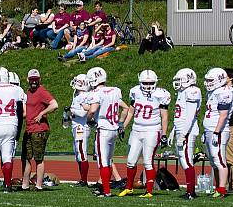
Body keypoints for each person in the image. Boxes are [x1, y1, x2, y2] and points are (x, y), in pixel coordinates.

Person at [118, 70, 171, 198]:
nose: (147, 85)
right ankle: (129, 188)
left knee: (148, 161)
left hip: (152, 130)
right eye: (145, 83)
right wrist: (123, 126)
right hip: (136, 129)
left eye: (150, 82)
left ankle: (149, 191)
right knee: (131, 161)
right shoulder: (135, 91)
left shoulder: (160, 94)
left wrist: (164, 134)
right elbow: (131, 112)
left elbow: (164, 116)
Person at [85, 66, 128, 197]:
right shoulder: (115, 90)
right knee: (108, 161)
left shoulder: (97, 93)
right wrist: (121, 123)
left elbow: (92, 110)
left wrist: (89, 120)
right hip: (114, 129)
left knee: (103, 162)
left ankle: (106, 191)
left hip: (103, 130)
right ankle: (105, 189)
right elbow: (125, 108)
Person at [20, 70, 58, 191]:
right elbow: (26, 113)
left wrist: (42, 113)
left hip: (39, 129)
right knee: (26, 157)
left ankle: (39, 185)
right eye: (32, 79)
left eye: (36, 79)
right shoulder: (27, 93)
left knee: (38, 158)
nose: (34, 82)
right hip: (29, 129)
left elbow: (54, 104)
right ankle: (25, 184)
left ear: (39, 79)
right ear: (28, 80)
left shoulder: (42, 91)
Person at [203, 67, 233, 198]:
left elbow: (223, 115)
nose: (208, 83)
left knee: (219, 159)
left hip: (219, 131)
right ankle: (218, 187)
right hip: (210, 129)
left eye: (211, 80)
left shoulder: (225, 92)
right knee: (213, 160)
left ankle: (222, 189)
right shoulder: (214, 92)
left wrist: (216, 132)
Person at [171, 68, 202, 199]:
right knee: (183, 159)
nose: (178, 83)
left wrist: (183, 134)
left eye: (180, 80)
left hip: (188, 131)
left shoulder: (192, 91)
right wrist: (174, 131)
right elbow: (180, 115)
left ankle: (190, 191)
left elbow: (189, 116)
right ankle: (190, 191)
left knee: (187, 160)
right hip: (182, 129)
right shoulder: (183, 92)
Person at [68, 74, 94, 186]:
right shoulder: (78, 94)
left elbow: (83, 113)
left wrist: (72, 110)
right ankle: (82, 179)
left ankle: (84, 180)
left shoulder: (85, 96)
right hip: (76, 125)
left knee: (82, 153)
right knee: (77, 153)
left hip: (82, 127)